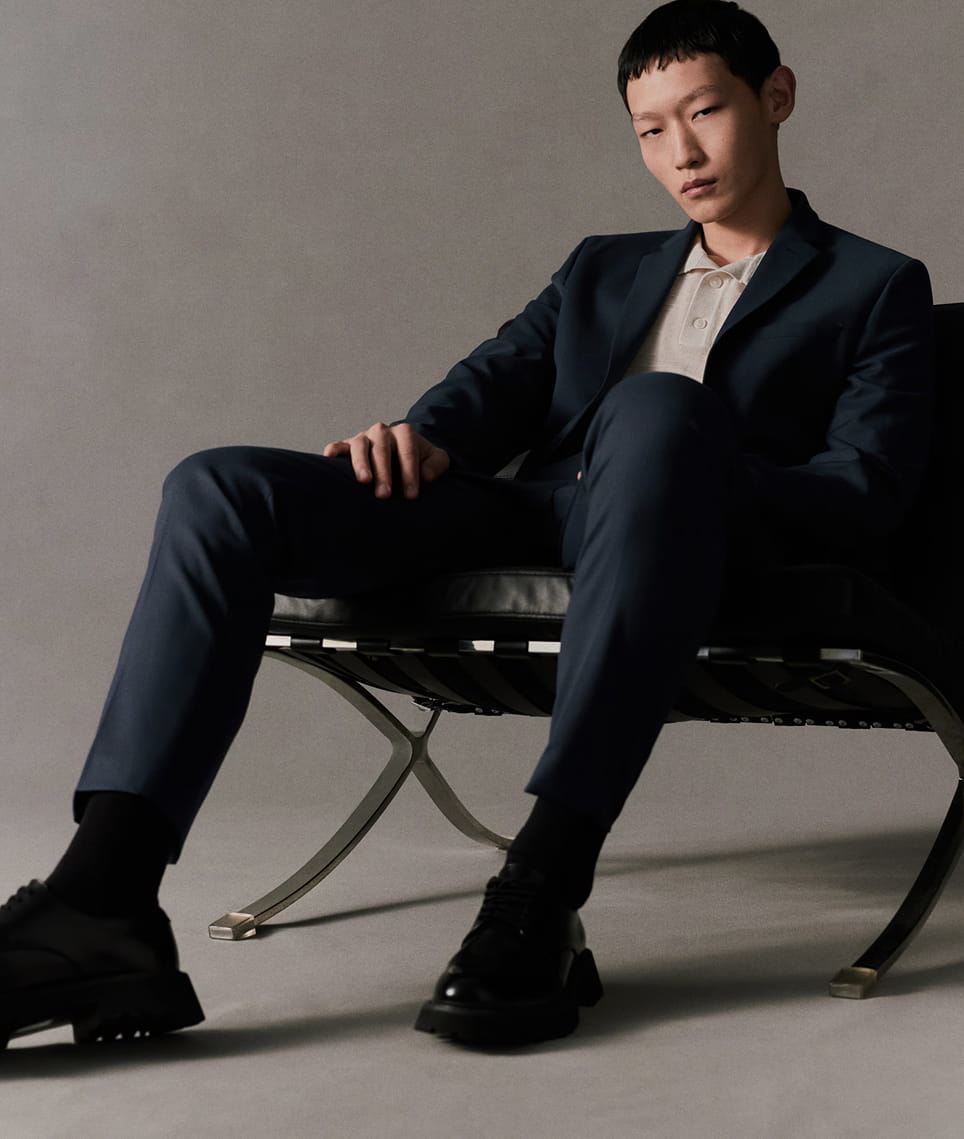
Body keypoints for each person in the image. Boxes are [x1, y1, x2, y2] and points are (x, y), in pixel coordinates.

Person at [0, 0, 934, 1051]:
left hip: (689, 533)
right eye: (650, 128)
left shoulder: (874, 285)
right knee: (216, 486)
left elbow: (862, 491)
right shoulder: (601, 266)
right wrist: (417, 438)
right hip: (533, 513)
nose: (680, 151)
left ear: (776, 97)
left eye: (705, 112)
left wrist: (686, 463)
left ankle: (545, 880)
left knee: (656, 410)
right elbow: (491, 386)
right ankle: (102, 898)